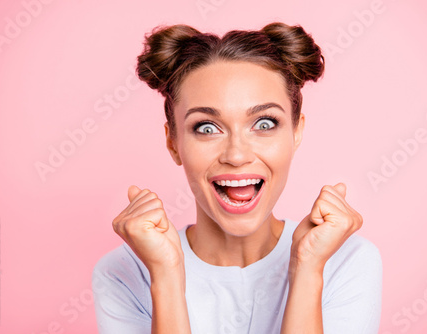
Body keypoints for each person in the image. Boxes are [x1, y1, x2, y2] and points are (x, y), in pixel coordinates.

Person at [92, 22, 382, 334]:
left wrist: (308, 270)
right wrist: (165, 277)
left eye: (265, 123)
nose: (236, 155)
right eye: (206, 128)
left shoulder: (345, 260)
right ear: (173, 143)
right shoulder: (124, 272)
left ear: (296, 132)